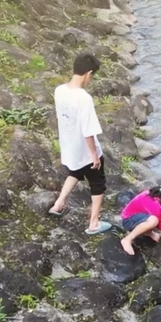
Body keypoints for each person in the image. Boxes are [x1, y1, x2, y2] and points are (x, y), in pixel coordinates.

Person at [48, 52, 112, 235]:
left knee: (75, 172)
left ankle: (59, 203)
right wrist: (94, 155)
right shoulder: (83, 98)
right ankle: (94, 223)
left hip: (69, 145)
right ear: (89, 73)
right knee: (98, 183)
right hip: (84, 149)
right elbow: (88, 130)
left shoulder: (60, 90)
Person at [119, 184, 161, 256]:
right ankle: (127, 239)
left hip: (139, 217)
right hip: (128, 220)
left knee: (154, 220)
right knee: (154, 221)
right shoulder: (156, 206)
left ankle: (148, 232)